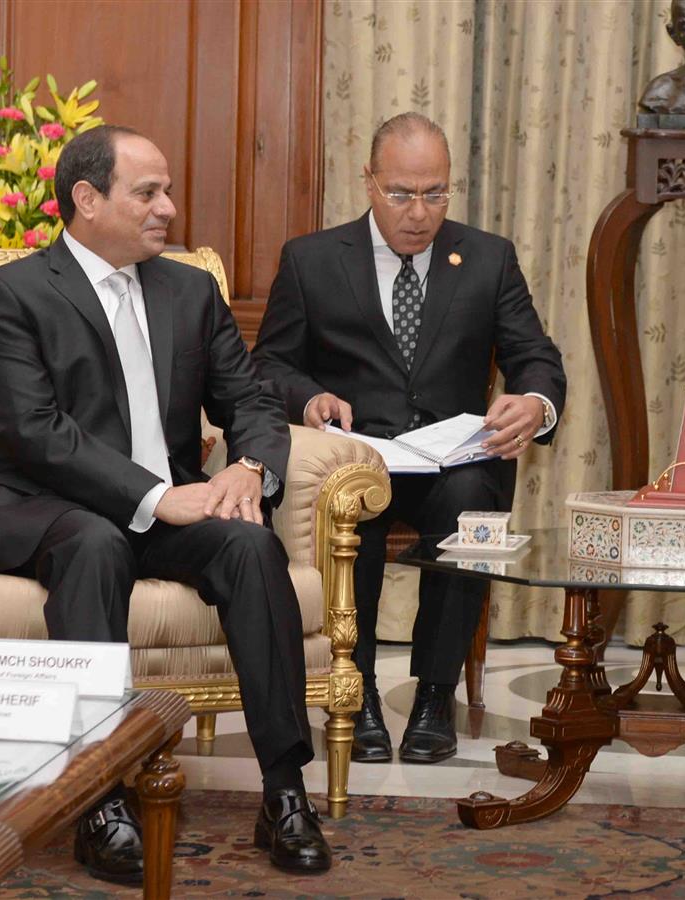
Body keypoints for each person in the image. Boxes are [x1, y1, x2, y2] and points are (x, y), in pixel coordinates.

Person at [0, 126, 331, 879]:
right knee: (94, 544)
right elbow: (34, 432)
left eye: (166, 190)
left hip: (169, 508)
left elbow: (251, 399)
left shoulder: (189, 290)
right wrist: (160, 497)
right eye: (148, 192)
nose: (168, 206)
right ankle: (99, 797)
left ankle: (285, 790)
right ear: (87, 200)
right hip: (47, 505)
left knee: (249, 543)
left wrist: (249, 469)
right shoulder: (8, 295)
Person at [252, 112, 566, 766]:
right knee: (349, 505)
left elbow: (536, 355)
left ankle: (433, 695)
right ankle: (357, 690)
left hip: (451, 460)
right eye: (400, 193)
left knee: (474, 502)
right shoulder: (311, 261)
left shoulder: (487, 257)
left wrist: (535, 404)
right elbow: (270, 366)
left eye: (434, 193)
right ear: (368, 182)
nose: (418, 213)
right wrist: (309, 399)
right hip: (358, 456)